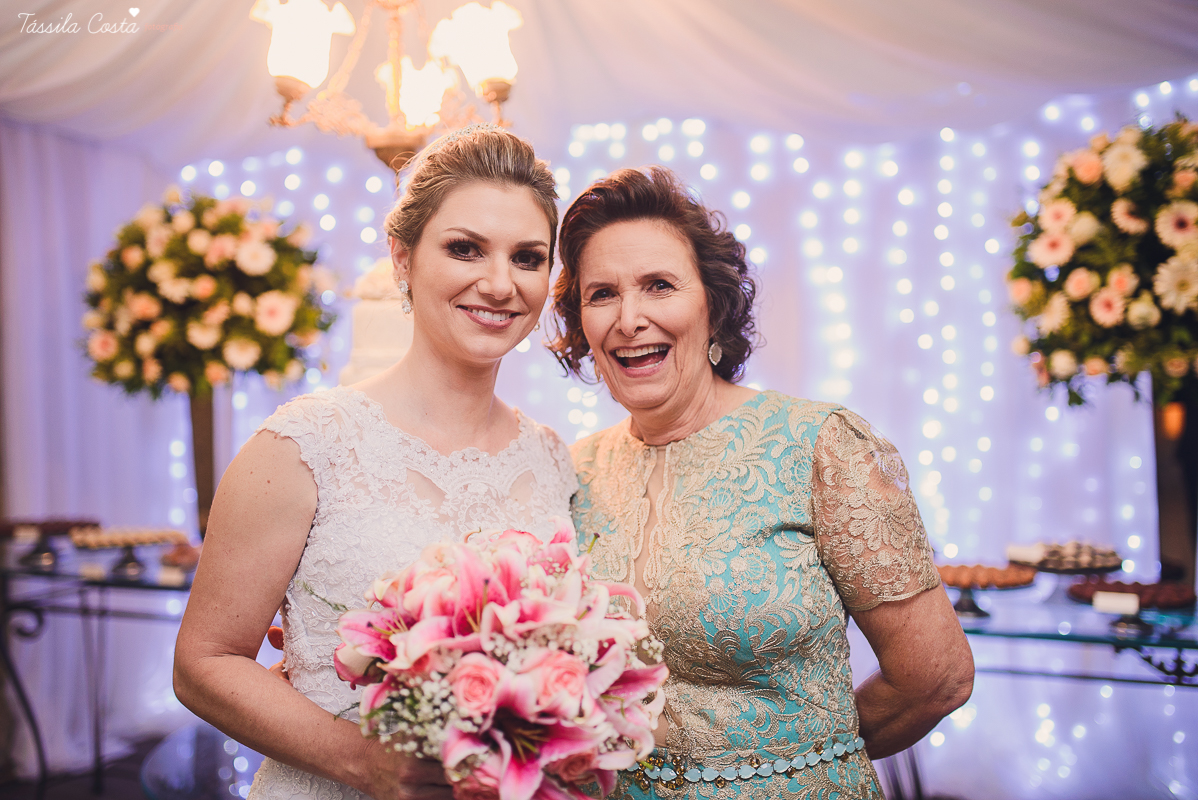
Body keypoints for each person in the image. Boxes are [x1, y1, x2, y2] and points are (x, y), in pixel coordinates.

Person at [173, 126, 578, 800]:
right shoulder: (304, 445)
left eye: (528, 257)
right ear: (401, 257)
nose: (500, 283)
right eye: (465, 249)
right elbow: (203, 663)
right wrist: (365, 763)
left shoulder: (552, 458)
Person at [549, 166, 974, 800]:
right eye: (601, 293)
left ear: (713, 306)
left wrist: (792, 761)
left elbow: (935, 677)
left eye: (659, 285)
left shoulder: (821, 447)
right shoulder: (574, 470)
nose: (629, 318)